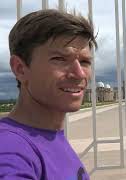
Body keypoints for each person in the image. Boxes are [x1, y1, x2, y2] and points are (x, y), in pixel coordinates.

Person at [0, 9, 97, 180]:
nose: (80, 74)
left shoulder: (50, 135)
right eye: (59, 59)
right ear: (20, 69)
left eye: (84, 61)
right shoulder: (10, 148)